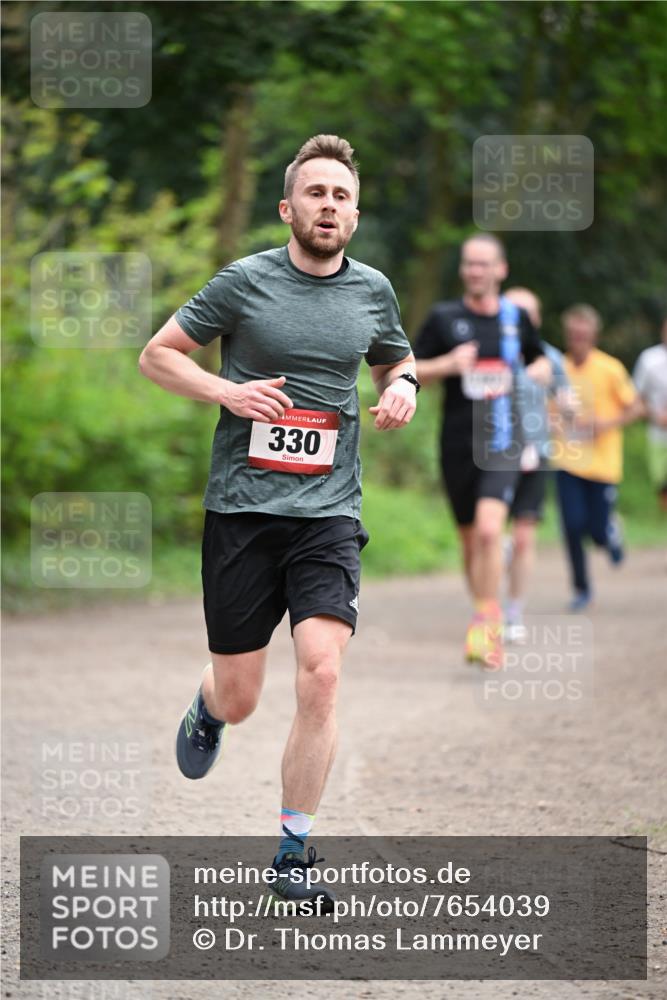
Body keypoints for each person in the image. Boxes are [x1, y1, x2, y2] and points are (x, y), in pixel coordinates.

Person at [139, 134, 418, 910]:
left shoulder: (373, 291)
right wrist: (225, 392)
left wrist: (404, 387)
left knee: (322, 671)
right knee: (242, 695)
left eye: (341, 196)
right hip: (242, 511)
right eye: (315, 193)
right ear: (287, 208)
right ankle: (210, 704)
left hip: (328, 512)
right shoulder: (244, 282)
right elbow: (158, 356)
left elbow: (394, 358)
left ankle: (293, 853)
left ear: (354, 215)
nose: (328, 206)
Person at [414, 234, 550, 669]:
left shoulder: (515, 319)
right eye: (469, 264)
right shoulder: (444, 318)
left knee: (492, 532)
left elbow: (540, 358)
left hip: (504, 440)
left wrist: (539, 372)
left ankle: (487, 631)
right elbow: (408, 369)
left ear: (500, 270)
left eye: (483, 264)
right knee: (471, 541)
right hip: (457, 443)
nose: (475, 271)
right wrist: (448, 364)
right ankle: (484, 614)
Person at [552, 304, 641, 611]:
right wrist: (554, 424)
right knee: (572, 527)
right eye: (573, 334)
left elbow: (636, 407)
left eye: (583, 335)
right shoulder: (557, 368)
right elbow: (547, 412)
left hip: (603, 464)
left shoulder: (610, 368)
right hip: (567, 460)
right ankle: (582, 589)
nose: (578, 340)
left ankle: (610, 534)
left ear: (593, 336)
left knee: (597, 532)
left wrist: (606, 423)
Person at [502, 287, 570, 641]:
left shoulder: (551, 357)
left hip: (535, 453)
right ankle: (487, 604)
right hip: (493, 453)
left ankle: (514, 613)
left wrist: (562, 409)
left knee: (524, 537)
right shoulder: (490, 351)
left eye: (525, 313)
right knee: (488, 534)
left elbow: (569, 405)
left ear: (537, 319)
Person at [633, 318, 667, 513]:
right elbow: (636, 398)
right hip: (658, 436)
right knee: (661, 484)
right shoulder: (649, 359)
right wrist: (655, 415)